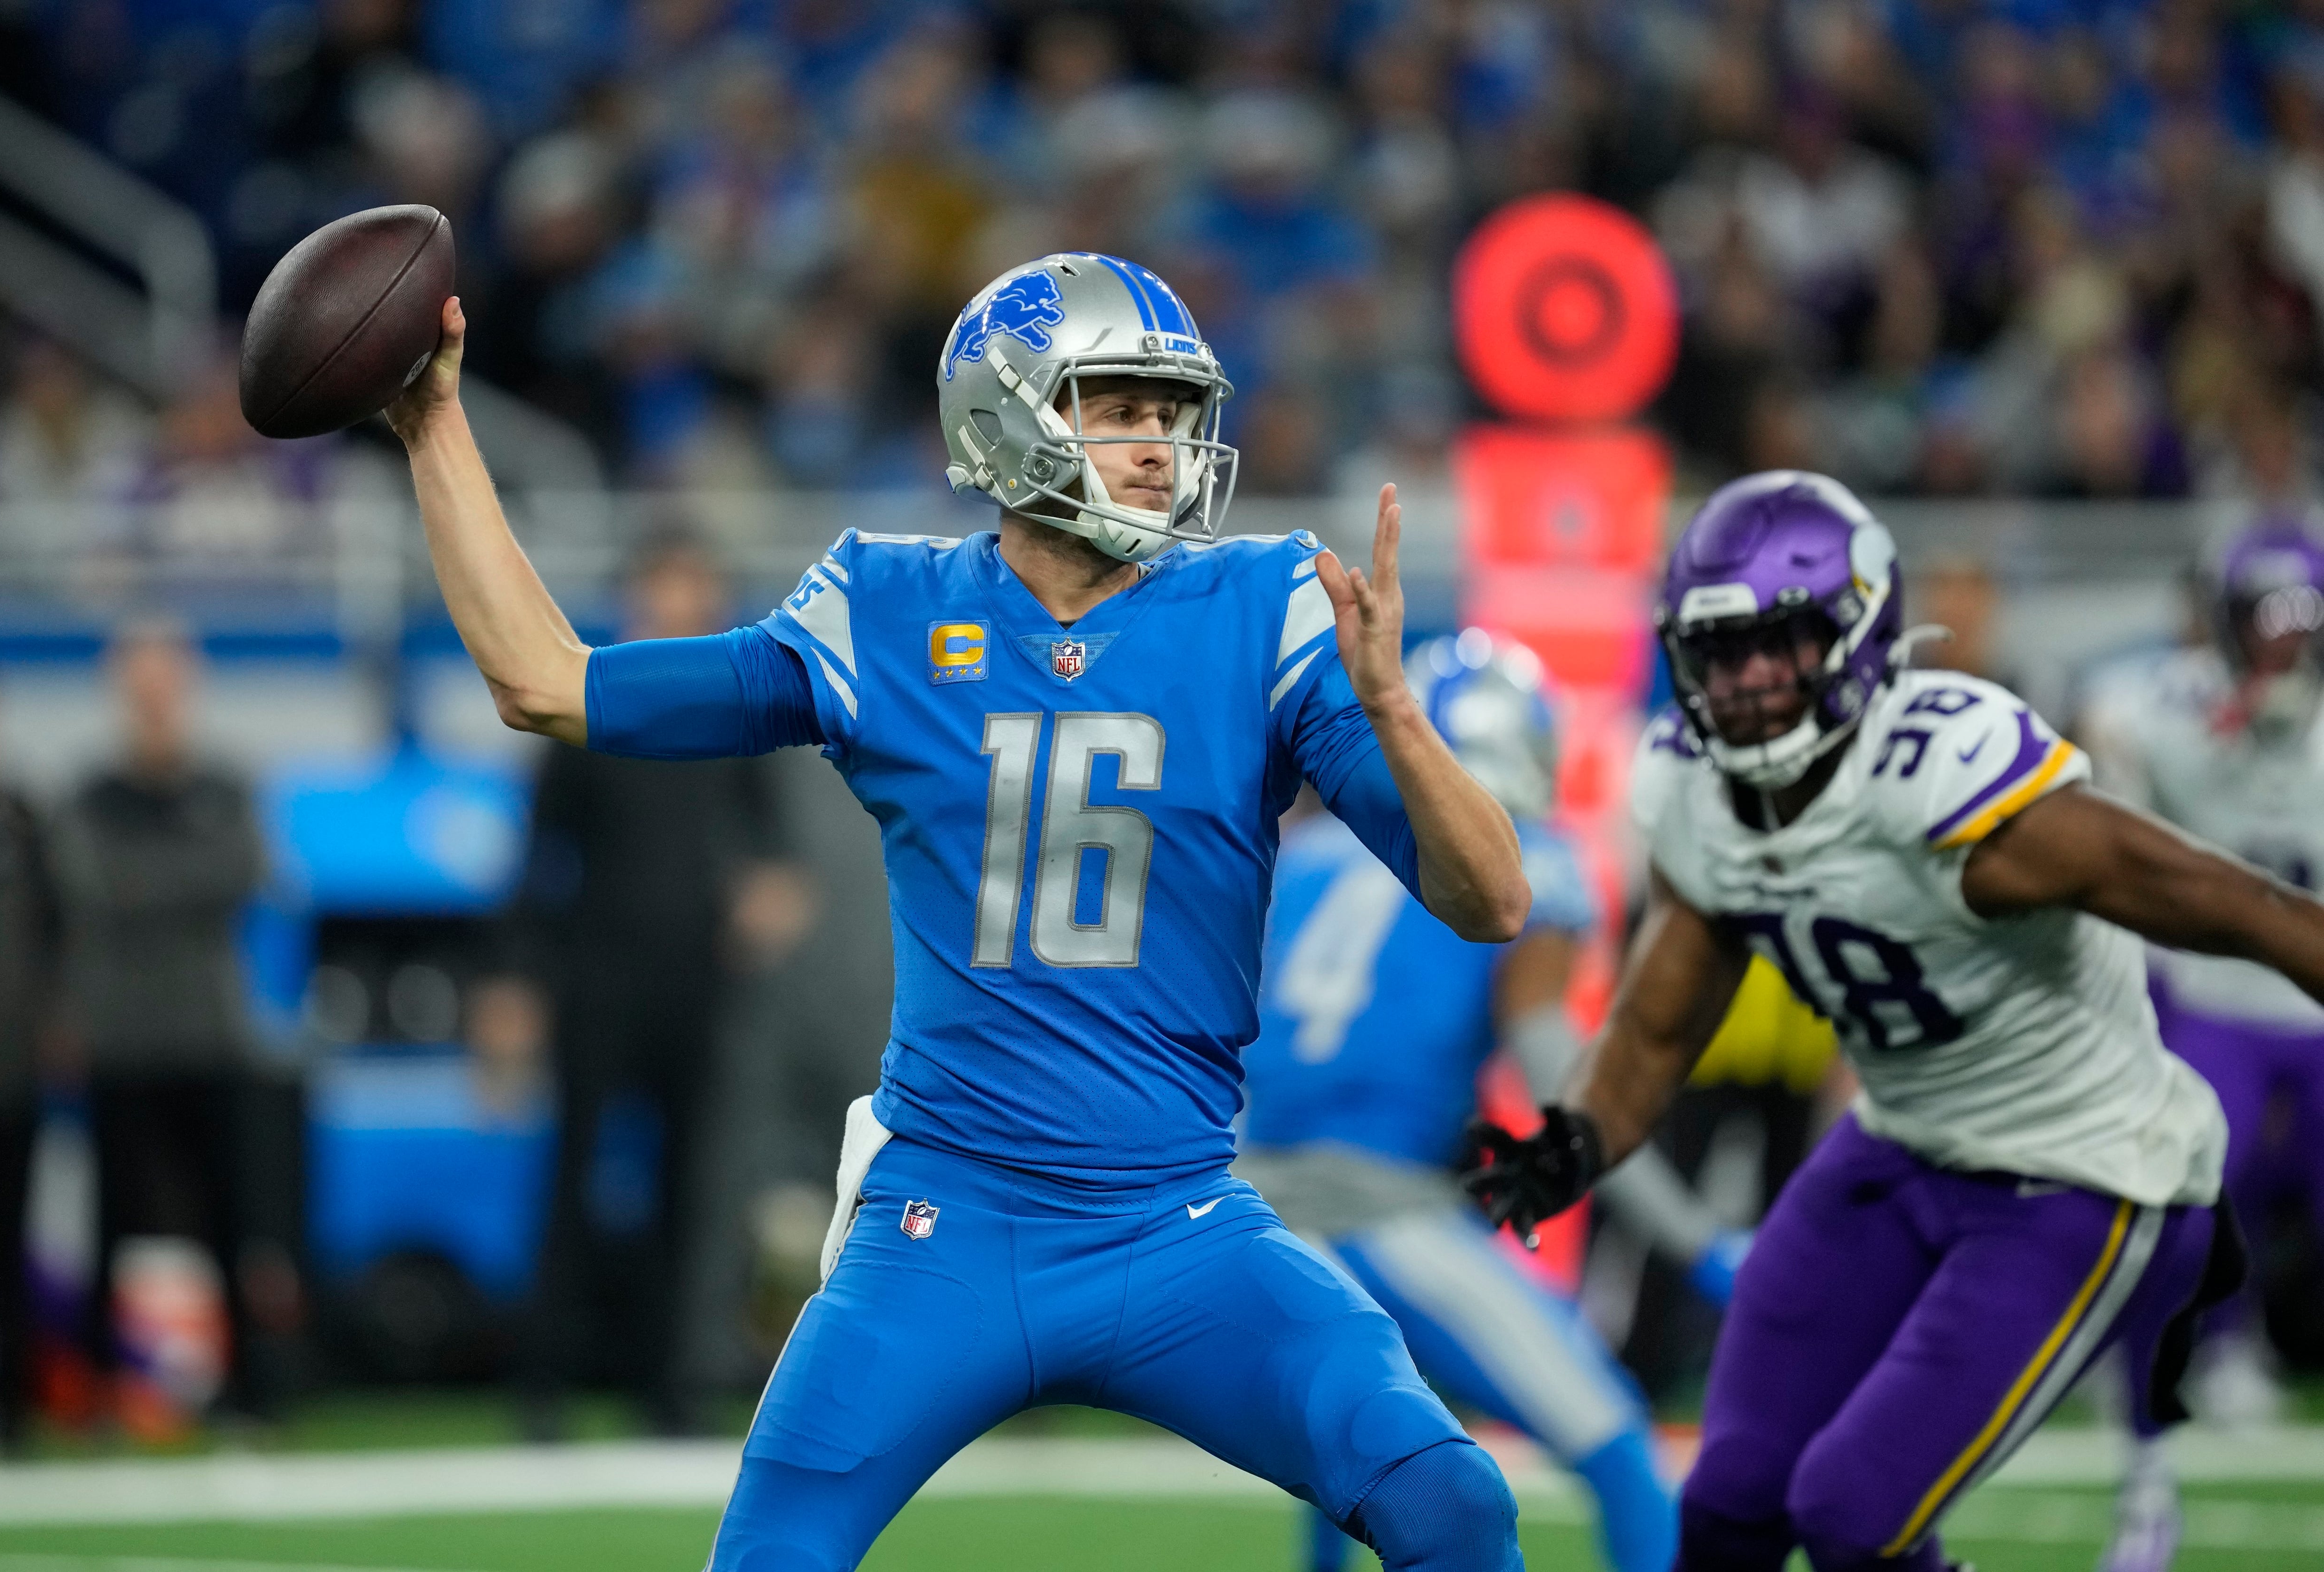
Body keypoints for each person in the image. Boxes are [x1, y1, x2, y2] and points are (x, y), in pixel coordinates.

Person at [384, 252, 1535, 1572]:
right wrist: (434, 425)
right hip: (947, 1226)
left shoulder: (1264, 604)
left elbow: (1491, 896)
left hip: (1179, 1223)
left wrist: (1393, 711)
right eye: (1119, 406)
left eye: (1172, 413)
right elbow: (551, 683)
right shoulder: (886, 605)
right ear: (1008, 413)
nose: (1160, 445)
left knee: (1455, 1500)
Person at [1462, 470, 2294, 1572]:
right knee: (1727, 1509)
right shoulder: (1696, 792)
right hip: (1900, 1142)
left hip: (2072, 1170)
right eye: (1721, 649)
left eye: (1781, 643)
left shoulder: (1940, 776)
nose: (1749, 679)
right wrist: (1578, 1137)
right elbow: (1663, 1019)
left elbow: (2221, 898)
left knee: (1854, 1516)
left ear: (1856, 633)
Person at [1240, 630, 1737, 1572]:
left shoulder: (1306, 856)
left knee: (1349, 1450)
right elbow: (1564, 1078)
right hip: (1384, 1215)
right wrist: (1694, 1240)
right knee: (1618, 1447)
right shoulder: (1527, 860)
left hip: (1251, 1209)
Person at [505, 527, 791, 1438]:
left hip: (697, 982)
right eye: (667, 587)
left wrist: (770, 898)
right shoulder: (591, 705)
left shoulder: (731, 716)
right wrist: (513, 985)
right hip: (598, 979)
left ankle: (667, 1388)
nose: (681, 605)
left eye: (695, 588)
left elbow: (773, 854)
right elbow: (535, 860)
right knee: (572, 1180)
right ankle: (544, 1385)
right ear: (638, 599)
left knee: (685, 1187)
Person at [2081, 521, 2324, 1563]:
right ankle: (2151, 1442)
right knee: (2176, 1216)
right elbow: (2105, 821)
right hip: (2210, 996)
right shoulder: (2157, 707)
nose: (2283, 654)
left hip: (2312, 1008)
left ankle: (2244, 1345)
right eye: (2264, 631)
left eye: (2300, 632)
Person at [47, 619, 270, 1423]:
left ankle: (249, 1390)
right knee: (111, 1217)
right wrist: (179, 876)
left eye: (164, 677)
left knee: (230, 1218)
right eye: (140, 679)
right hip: (122, 1037)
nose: (153, 695)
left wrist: (149, 883)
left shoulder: (224, 784)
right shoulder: (90, 794)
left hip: (208, 1033)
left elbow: (243, 871)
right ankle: (104, 1387)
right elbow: (92, 885)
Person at [0, 665, 62, 1451]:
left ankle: (13, 1413)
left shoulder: (23, 822)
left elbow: (63, 936)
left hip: (5, 1072)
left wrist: (56, 1028)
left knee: (8, 1241)